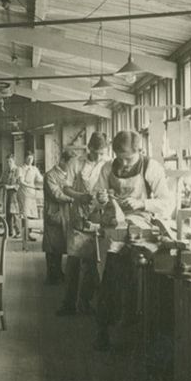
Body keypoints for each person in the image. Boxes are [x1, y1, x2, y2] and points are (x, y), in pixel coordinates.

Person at [92, 130, 175, 351]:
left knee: (135, 278)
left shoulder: (151, 168)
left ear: (139, 151)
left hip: (141, 225)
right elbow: (97, 197)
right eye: (119, 156)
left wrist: (142, 204)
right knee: (109, 278)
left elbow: (168, 203)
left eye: (128, 158)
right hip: (114, 226)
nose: (124, 162)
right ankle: (105, 329)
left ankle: (132, 326)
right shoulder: (108, 168)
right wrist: (100, 199)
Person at [59, 133, 109, 316]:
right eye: (96, 153)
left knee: (91, 263)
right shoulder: (76, 163)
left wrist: (105, 197)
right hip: (79, 216)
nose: (99, 157)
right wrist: (80, 196)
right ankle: (68, 303)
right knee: (73, 262)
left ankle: (84, 302)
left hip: (98, 216)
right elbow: (65, 187)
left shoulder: (107, 165)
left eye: (102, 154)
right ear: (89, 149)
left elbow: (111, 189)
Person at [42, 149, 76, 285]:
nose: (72, 168)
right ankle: (52, 275)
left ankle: (58, 274)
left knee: (61, 244)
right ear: (62, 160)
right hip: (54, 213)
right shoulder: (50, 175)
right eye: (70, 164)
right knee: (52, 246)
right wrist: (75, 198)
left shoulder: (69, 175)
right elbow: (57, 194)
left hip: (66, 213)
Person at [16, 151, 44, 240]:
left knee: (32, 214)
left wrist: (46, 180)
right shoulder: (20, 169)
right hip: (24, 192)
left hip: (32, 194)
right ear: (25, 158)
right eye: (28, 158)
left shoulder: (34, 169)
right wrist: (32, 187)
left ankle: (29, 234)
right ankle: (25, 235)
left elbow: (40, 179)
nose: (30, 160)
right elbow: (21, 182)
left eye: (31, 158)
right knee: (25, 214)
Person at [3, 153, 22, 237]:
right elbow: (3, 179)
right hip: (7, 194)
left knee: (15, 213)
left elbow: (18, 184)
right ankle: (9, 231)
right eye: (7, 161)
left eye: (10, 161)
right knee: (8, 213)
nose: (8, 163)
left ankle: (18, 232)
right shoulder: (7, 171)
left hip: (15, 194)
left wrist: (9, 187)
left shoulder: (18, 170)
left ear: (14, 161)